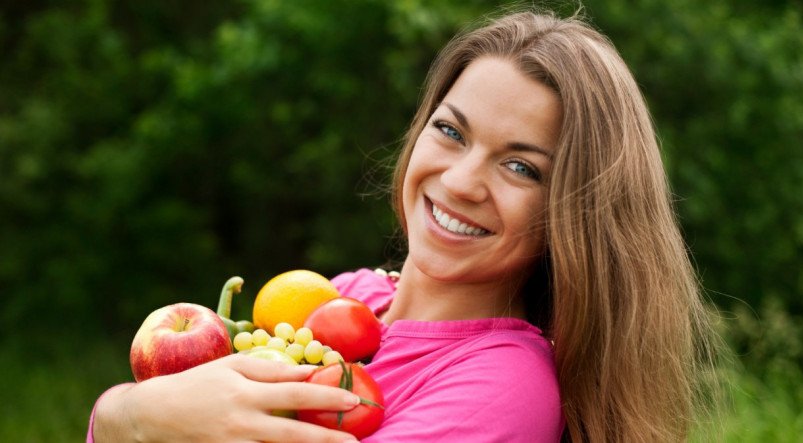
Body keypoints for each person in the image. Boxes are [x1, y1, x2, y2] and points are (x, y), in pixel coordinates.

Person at [88, 9, 720, 443]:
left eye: (521, 167)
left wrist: (129, 417)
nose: (462, 180)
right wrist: (131, 415)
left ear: (576, 215)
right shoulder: (347, 297)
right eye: (451, 131)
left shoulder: (506, 384)